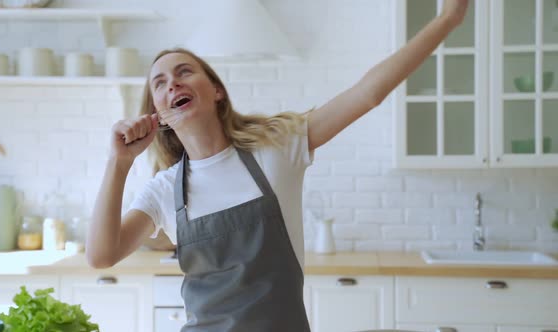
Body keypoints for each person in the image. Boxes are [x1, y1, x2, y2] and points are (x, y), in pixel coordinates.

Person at [86, 1, 468, 330]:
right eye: (160, 82)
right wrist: (118, 164)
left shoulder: (277, 149)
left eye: (185, 71)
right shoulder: (164, 190)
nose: (173, 83)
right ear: (159, 114)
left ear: (216, 90)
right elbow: (101, 256)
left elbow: (368, 94)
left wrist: (447, 19)